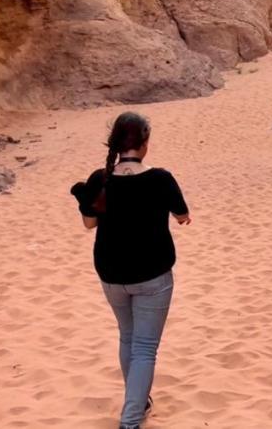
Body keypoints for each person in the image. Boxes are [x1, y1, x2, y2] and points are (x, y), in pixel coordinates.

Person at [71, 112, 191, 429]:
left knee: (128, 337)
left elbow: (88, 223)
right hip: (152, 274)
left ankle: (138, 400)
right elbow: (182, 215)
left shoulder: (101, 179)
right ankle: (131, 419)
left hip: (111, 273)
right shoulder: (161, 179)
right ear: (145, 142)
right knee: (144, 347)